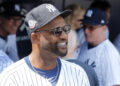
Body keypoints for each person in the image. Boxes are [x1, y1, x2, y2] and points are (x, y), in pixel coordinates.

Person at [0, 3, 90, 86]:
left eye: (65, 29)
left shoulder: (78, 73)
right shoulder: (11, 78)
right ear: (35, 38)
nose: (64, 36)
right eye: (56, 31)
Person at [76, 8, 120, 86]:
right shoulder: (84, 45)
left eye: (91, 28)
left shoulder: (109, 53)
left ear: (103, 28)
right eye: (84, 26)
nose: (86, 31)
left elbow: (115, 84)